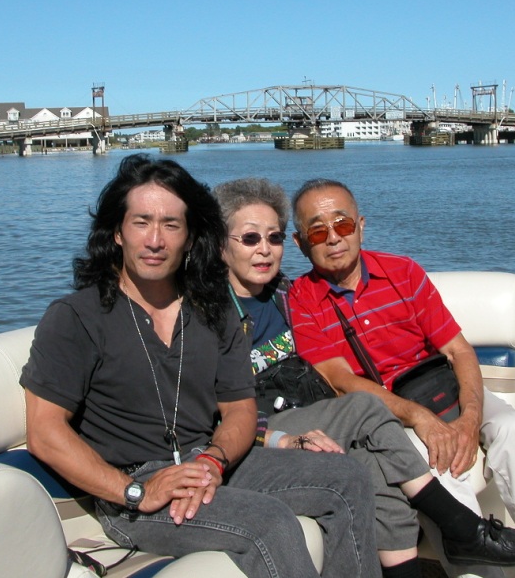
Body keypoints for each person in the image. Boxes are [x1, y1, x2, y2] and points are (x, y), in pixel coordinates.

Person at [19, 155, 381, 578]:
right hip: (134, 489)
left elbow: (240, 409)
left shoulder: (211, 310)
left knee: (347, 477)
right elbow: (45, 432)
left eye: (171, 225)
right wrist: (134, 491)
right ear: (116, 232)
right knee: (268, 523)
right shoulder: (76, 317)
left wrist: (213, 461)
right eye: (141, 222)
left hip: (209, 461)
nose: (155, 240)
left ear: (190, 237)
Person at [214, 177, 515, 578]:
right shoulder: (219, 312)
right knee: (384, 425)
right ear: (221, 245)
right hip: (278, 424)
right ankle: (466, 534)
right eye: (250, 239)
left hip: (384, 400)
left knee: (511, 433)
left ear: (360, 226)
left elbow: (457, 349)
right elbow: (332, 382)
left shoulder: (285, 294)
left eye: (274, 237)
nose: (265, 249)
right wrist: (282, 438)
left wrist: (469, 419)